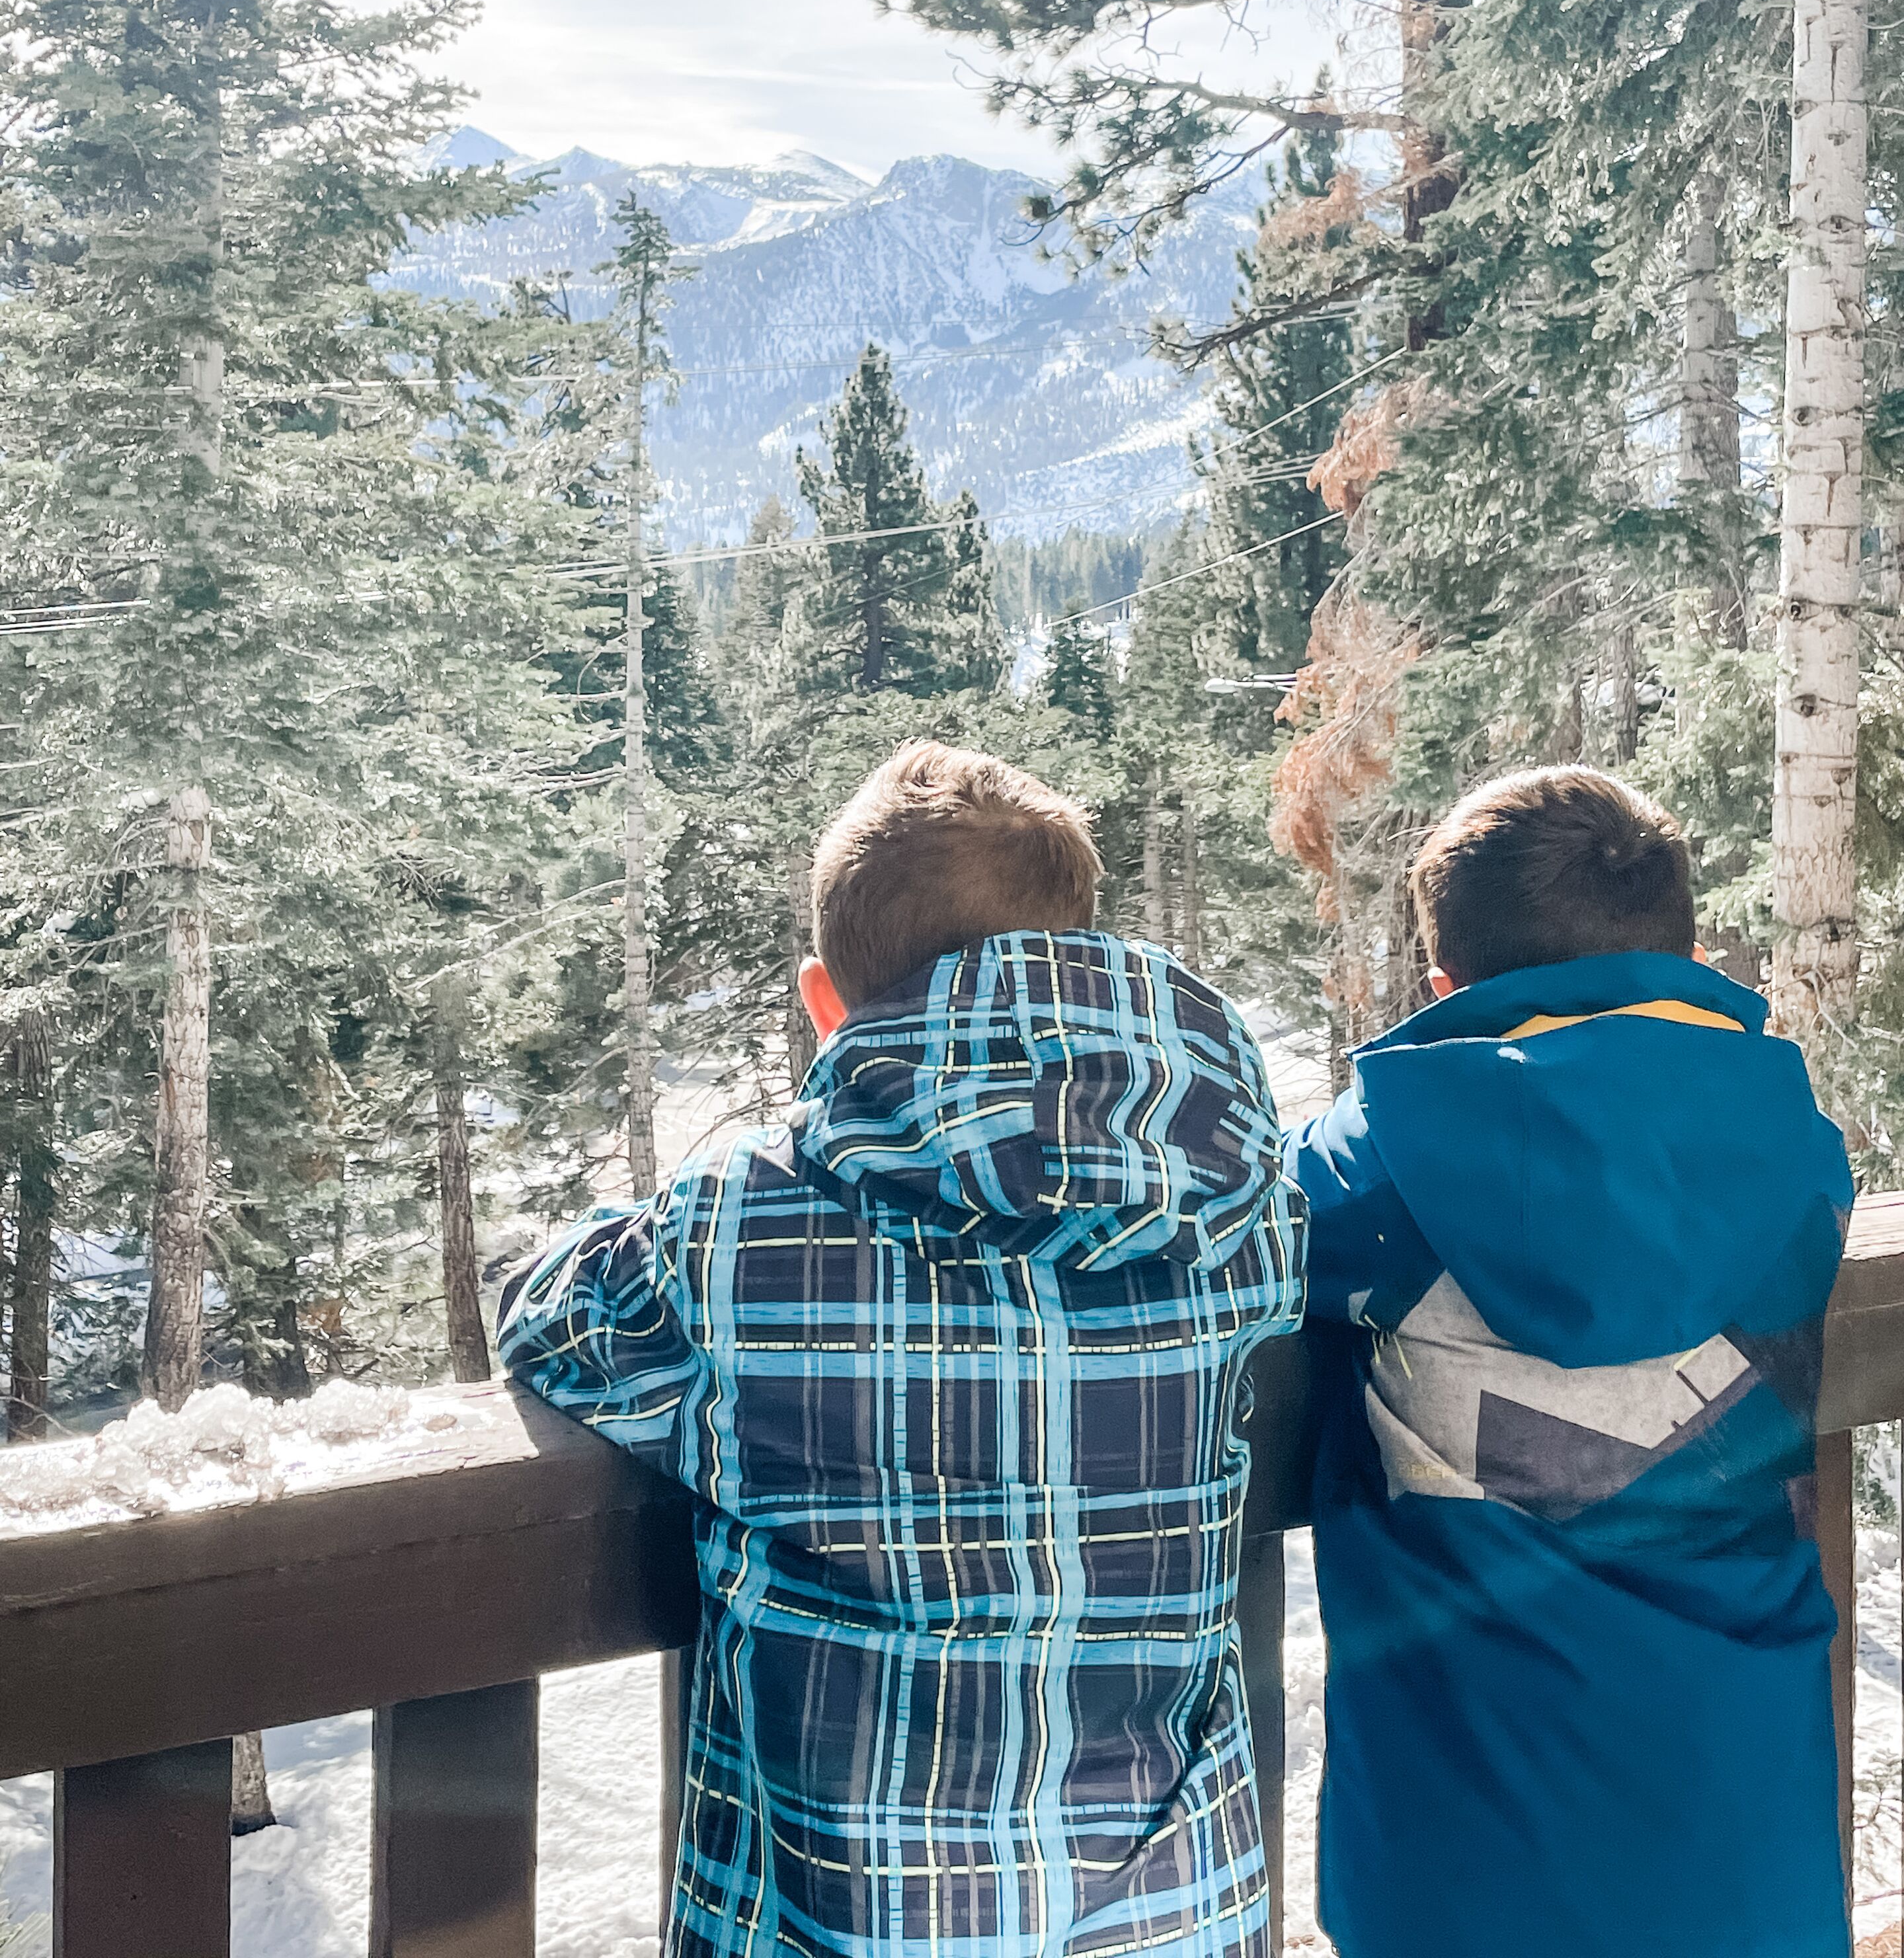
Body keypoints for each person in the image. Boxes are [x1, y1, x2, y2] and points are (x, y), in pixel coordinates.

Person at [500, 739, 1307, 1958]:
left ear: (827, 1003)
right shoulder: (1245, 1206)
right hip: (1175, 1918)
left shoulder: (740, 1226)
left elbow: (549, 1323)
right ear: (1090, 957)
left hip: (856, 1926)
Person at [1284, 765, 1854, 1958]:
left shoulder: (1376, 1169)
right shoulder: (1797, 1155)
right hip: (1746, 1836)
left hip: (1461, 1858)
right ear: (1679, 954)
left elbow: (1257, 1234)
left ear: (1446, 985)